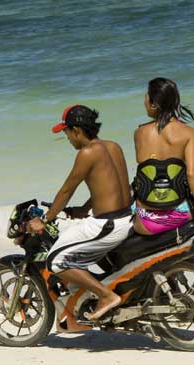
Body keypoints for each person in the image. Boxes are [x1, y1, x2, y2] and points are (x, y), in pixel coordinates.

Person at [26, 104, 132, 320]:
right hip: (126, 218)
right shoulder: (113, 146)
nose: (67, 138)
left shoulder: (87, 153)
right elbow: (112, 185)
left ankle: (106, 296)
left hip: (107, 225)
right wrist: (84, 209)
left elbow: (66, 190)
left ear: (77, 130)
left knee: (55, 261)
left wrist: (45, 220)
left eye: (66, 133)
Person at [132, 77, 194, 235]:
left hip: (145, 222)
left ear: (154, 103)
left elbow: (145, 166)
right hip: (181, 215)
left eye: (146, 98)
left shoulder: (139, 133)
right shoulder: (188, 133)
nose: (145, 103)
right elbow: (191, 173)